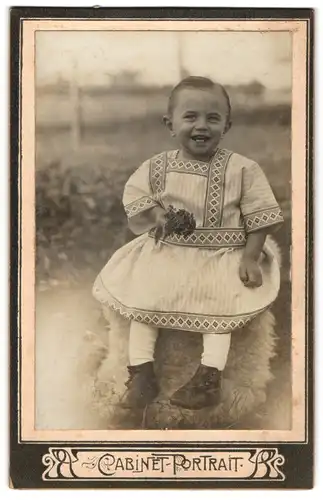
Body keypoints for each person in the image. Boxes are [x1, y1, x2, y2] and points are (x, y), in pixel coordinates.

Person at [92, 76, 284, 411]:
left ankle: (208, 377)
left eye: (213, 118)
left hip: (221, 253)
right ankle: (140, 373)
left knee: (220, 307)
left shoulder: (243, 169)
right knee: (144, 304)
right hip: (169, 251)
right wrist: (157, 217)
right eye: (190, 117)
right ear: (170, 124)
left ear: (227, 125)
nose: (201, 126)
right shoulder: (157, 167)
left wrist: (251, 258)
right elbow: (136, 198)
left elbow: (260, 218)